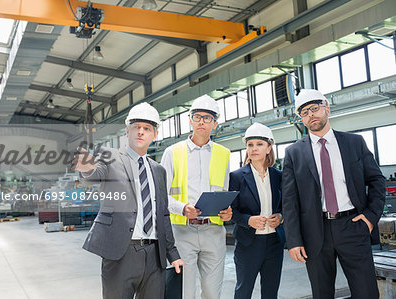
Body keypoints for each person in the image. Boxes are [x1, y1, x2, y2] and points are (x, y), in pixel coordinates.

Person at [282, 89, 386, 299]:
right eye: (304, 112)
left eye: (314, 108)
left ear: (326, 109)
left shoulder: (354, 143)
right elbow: (289, 200)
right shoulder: (293, 153)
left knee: (366, 292)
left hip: (353, 225)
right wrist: (293, 240)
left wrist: (370, 218)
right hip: (315, 232)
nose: (310, 114)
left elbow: (377, 180)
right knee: (322, 294)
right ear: (301, 119)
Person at [74, 102, 184, 299]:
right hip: (121, 253)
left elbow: (163, 214)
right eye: (136, 127)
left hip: (154, 255)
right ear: (127, 131)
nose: (140, 132)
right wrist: (85, 167)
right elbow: (95, 173)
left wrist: (172, 255)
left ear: (154, 135)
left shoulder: (159, 170)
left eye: (146, 128)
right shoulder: (110, 158)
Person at [161, 94, 232, 299]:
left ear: (215, 123)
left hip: (214, 232)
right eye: (197, 116)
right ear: (190, 120)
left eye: (207, 117)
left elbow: (224, 191)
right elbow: (162, 196)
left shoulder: (224, 154)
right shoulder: (172, 152)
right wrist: (182, 208)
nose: (202, 121)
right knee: (185, 292)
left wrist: (227, 212)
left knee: (212, 293)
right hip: (182, 232)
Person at [229, 123, 285, 299]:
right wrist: (248, 220)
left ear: (269, 147)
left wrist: (281, 217)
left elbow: (286, 205)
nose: (254, 149)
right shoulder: (236, 177)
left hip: (274, 243)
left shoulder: (278, 176)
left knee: (270, 292)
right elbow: (232, 212)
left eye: (259, 144)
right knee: (243, 291)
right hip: (248, 243)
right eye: (250, 144)